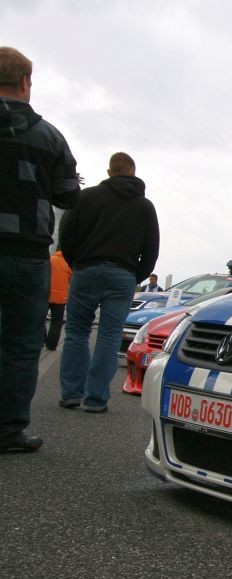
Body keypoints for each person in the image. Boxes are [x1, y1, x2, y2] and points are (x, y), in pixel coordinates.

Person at [0, 47, 80, 454]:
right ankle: (7, 432)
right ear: (25, 81)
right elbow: (68, 195)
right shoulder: (49, 136)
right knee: (20, 345)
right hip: (26, 254)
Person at [59, 152, 159, 413]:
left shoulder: (86, 197)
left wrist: (76, 262)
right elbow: (151, 249)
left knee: (76, 332)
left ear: (109, 172)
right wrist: (135, 275)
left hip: (86, 269)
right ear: (133, 172)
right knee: (109, 335)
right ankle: (96, 399)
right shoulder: (144, 206)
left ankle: (71, 394)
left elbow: (66, 233)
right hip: (123, 274)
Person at [45, 249, 72, 350]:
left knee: (40, 319)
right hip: (60, 298)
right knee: (56, 322)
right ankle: (51, 345)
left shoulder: (50, 260)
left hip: (46, 295)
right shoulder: (68, 263)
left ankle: (41, 340)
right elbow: (71, 277)